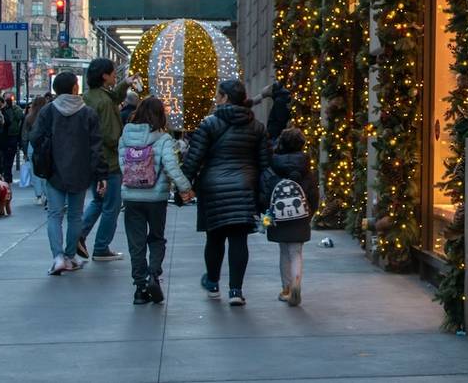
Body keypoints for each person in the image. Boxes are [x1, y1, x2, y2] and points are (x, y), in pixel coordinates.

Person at [182, 78, 270, 307]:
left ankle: (212, 283)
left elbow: (194, 158)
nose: (215, 99)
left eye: (217, 95)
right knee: (239, 239)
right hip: (244, 187)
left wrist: (183, 186)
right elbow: (264, 164)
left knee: (215, 237)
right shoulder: (257, 127)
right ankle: (236, 290)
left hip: (213, 188)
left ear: (225, 98)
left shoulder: (209, 124)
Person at [119, 97, 194, 305]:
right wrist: (185, 188)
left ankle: (140, 288)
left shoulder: (125, 137)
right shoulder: (163, 139)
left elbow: (122, 165)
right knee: (157, 238)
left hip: (131, 196)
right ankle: (153, 274)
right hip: (156, 197)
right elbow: (171, 167)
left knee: (136, 242)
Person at [30, 73, 105, 276]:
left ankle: (58, 257)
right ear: (74, 88)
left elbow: (35, 137)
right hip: (81, 171)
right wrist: (100, 173)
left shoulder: (48, 111)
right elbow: (96, 145)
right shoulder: (88, 113)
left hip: (54, 170)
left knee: (54, 214)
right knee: (75, 215)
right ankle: (70, 256)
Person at [76, 58, 132, 262]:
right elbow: (110, 135)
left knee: (99, 201)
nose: (115, 75)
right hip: (109, 161)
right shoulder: (104, 102)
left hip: (91, 158)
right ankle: (101, 246)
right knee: (112, 204)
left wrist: (125, 83)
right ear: (104, 76)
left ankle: (78, 235)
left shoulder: (90, 96)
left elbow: (115, 97)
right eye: (112, 73)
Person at [260, 127, 318, 307]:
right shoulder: (306, 167)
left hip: (278, 217)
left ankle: (286, 288)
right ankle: (296, 285)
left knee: (284, 252)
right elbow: (314, 195)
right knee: (296, 253)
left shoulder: (273, 165)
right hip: (300, 216)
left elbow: (265, 193)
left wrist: (265, 213)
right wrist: (309, 214)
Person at [22, 93, 53, 205]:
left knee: (34, 171)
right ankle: (47, 195)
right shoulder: (48, 116)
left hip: (32, 145)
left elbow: (24, 136)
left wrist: (24, 150)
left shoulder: (29, 117)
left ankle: (38, 195)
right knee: (45, 170)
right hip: (44, 144)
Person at [0, 95, 23, 184]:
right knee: (1, 161)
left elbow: (18, 117)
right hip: (0, 139)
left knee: (8, 161)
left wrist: (12, 108)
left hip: (11, 137)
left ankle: (7, 178)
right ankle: (3, 177)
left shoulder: (14, 109)